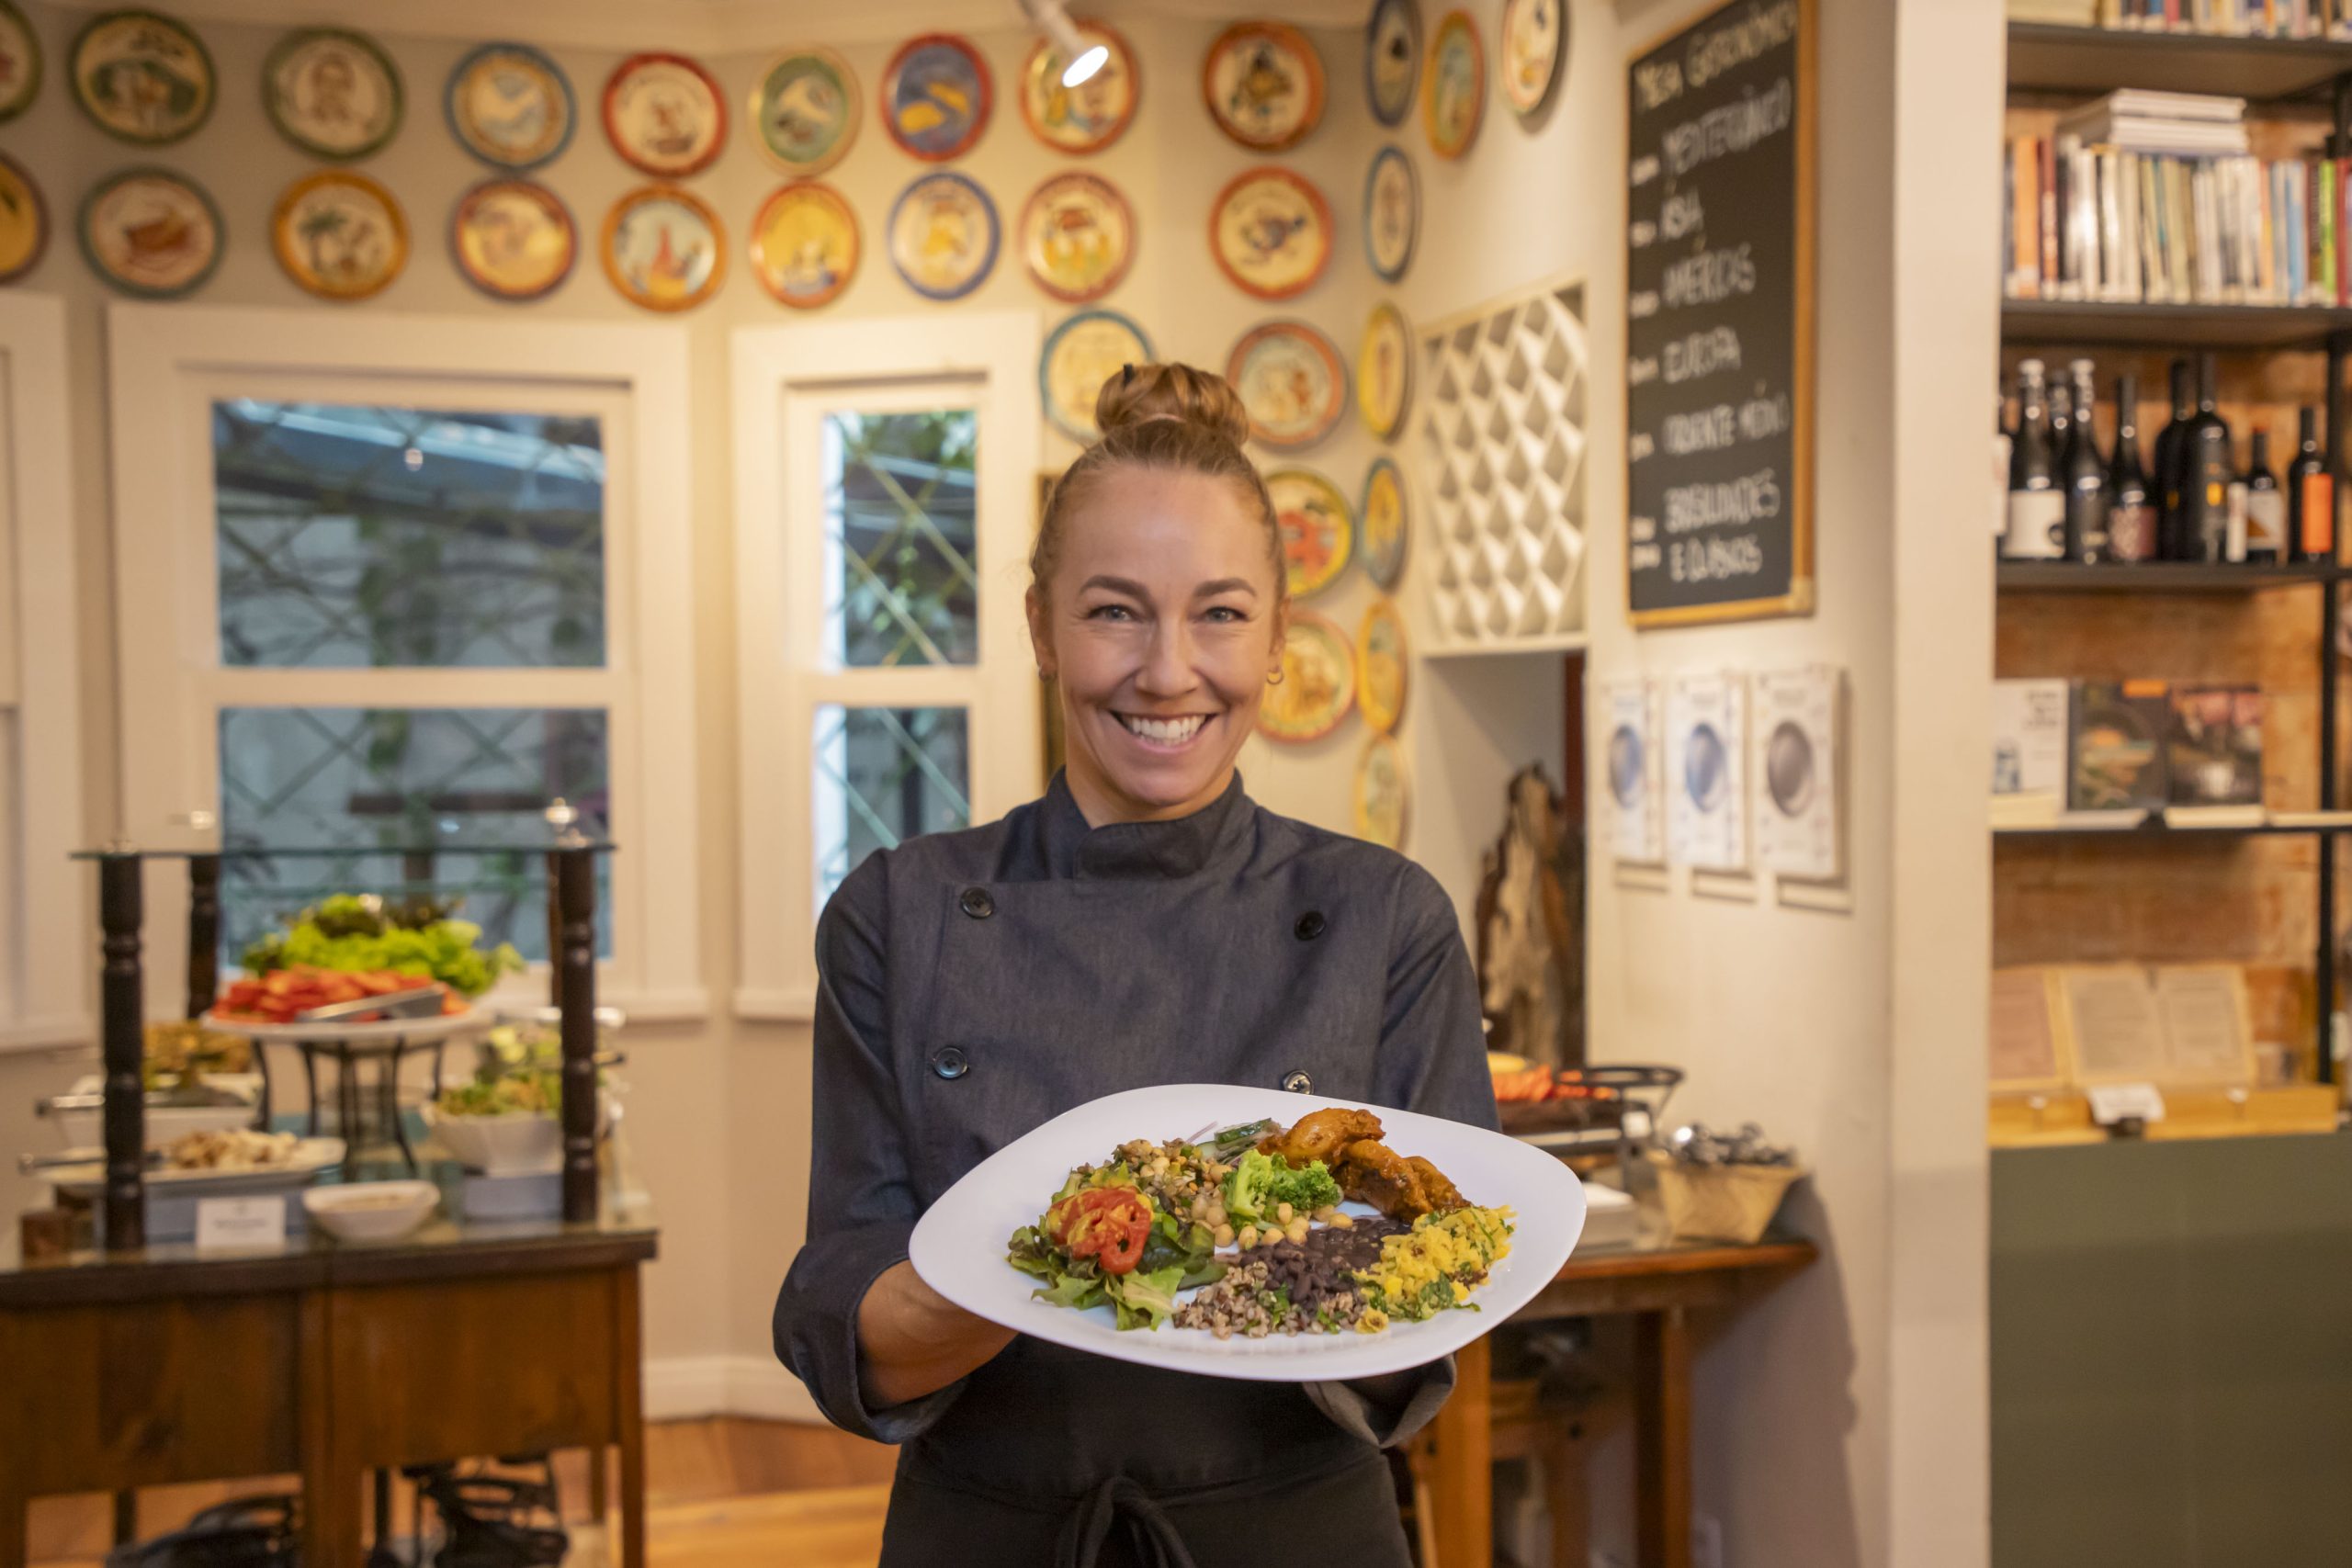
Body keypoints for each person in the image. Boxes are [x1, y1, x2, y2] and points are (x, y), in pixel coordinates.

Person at [774, 363, 1497, 1567]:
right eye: (1116, 610)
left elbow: (1442, 1292)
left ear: (1276, 636)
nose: (1169, 672)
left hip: (1298, 1533)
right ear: (1039, 628)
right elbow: (846, 1307)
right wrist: (1062, 1257)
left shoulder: (1384, 920)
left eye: (1219, 613)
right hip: (991, 1532)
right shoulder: (898, 916)